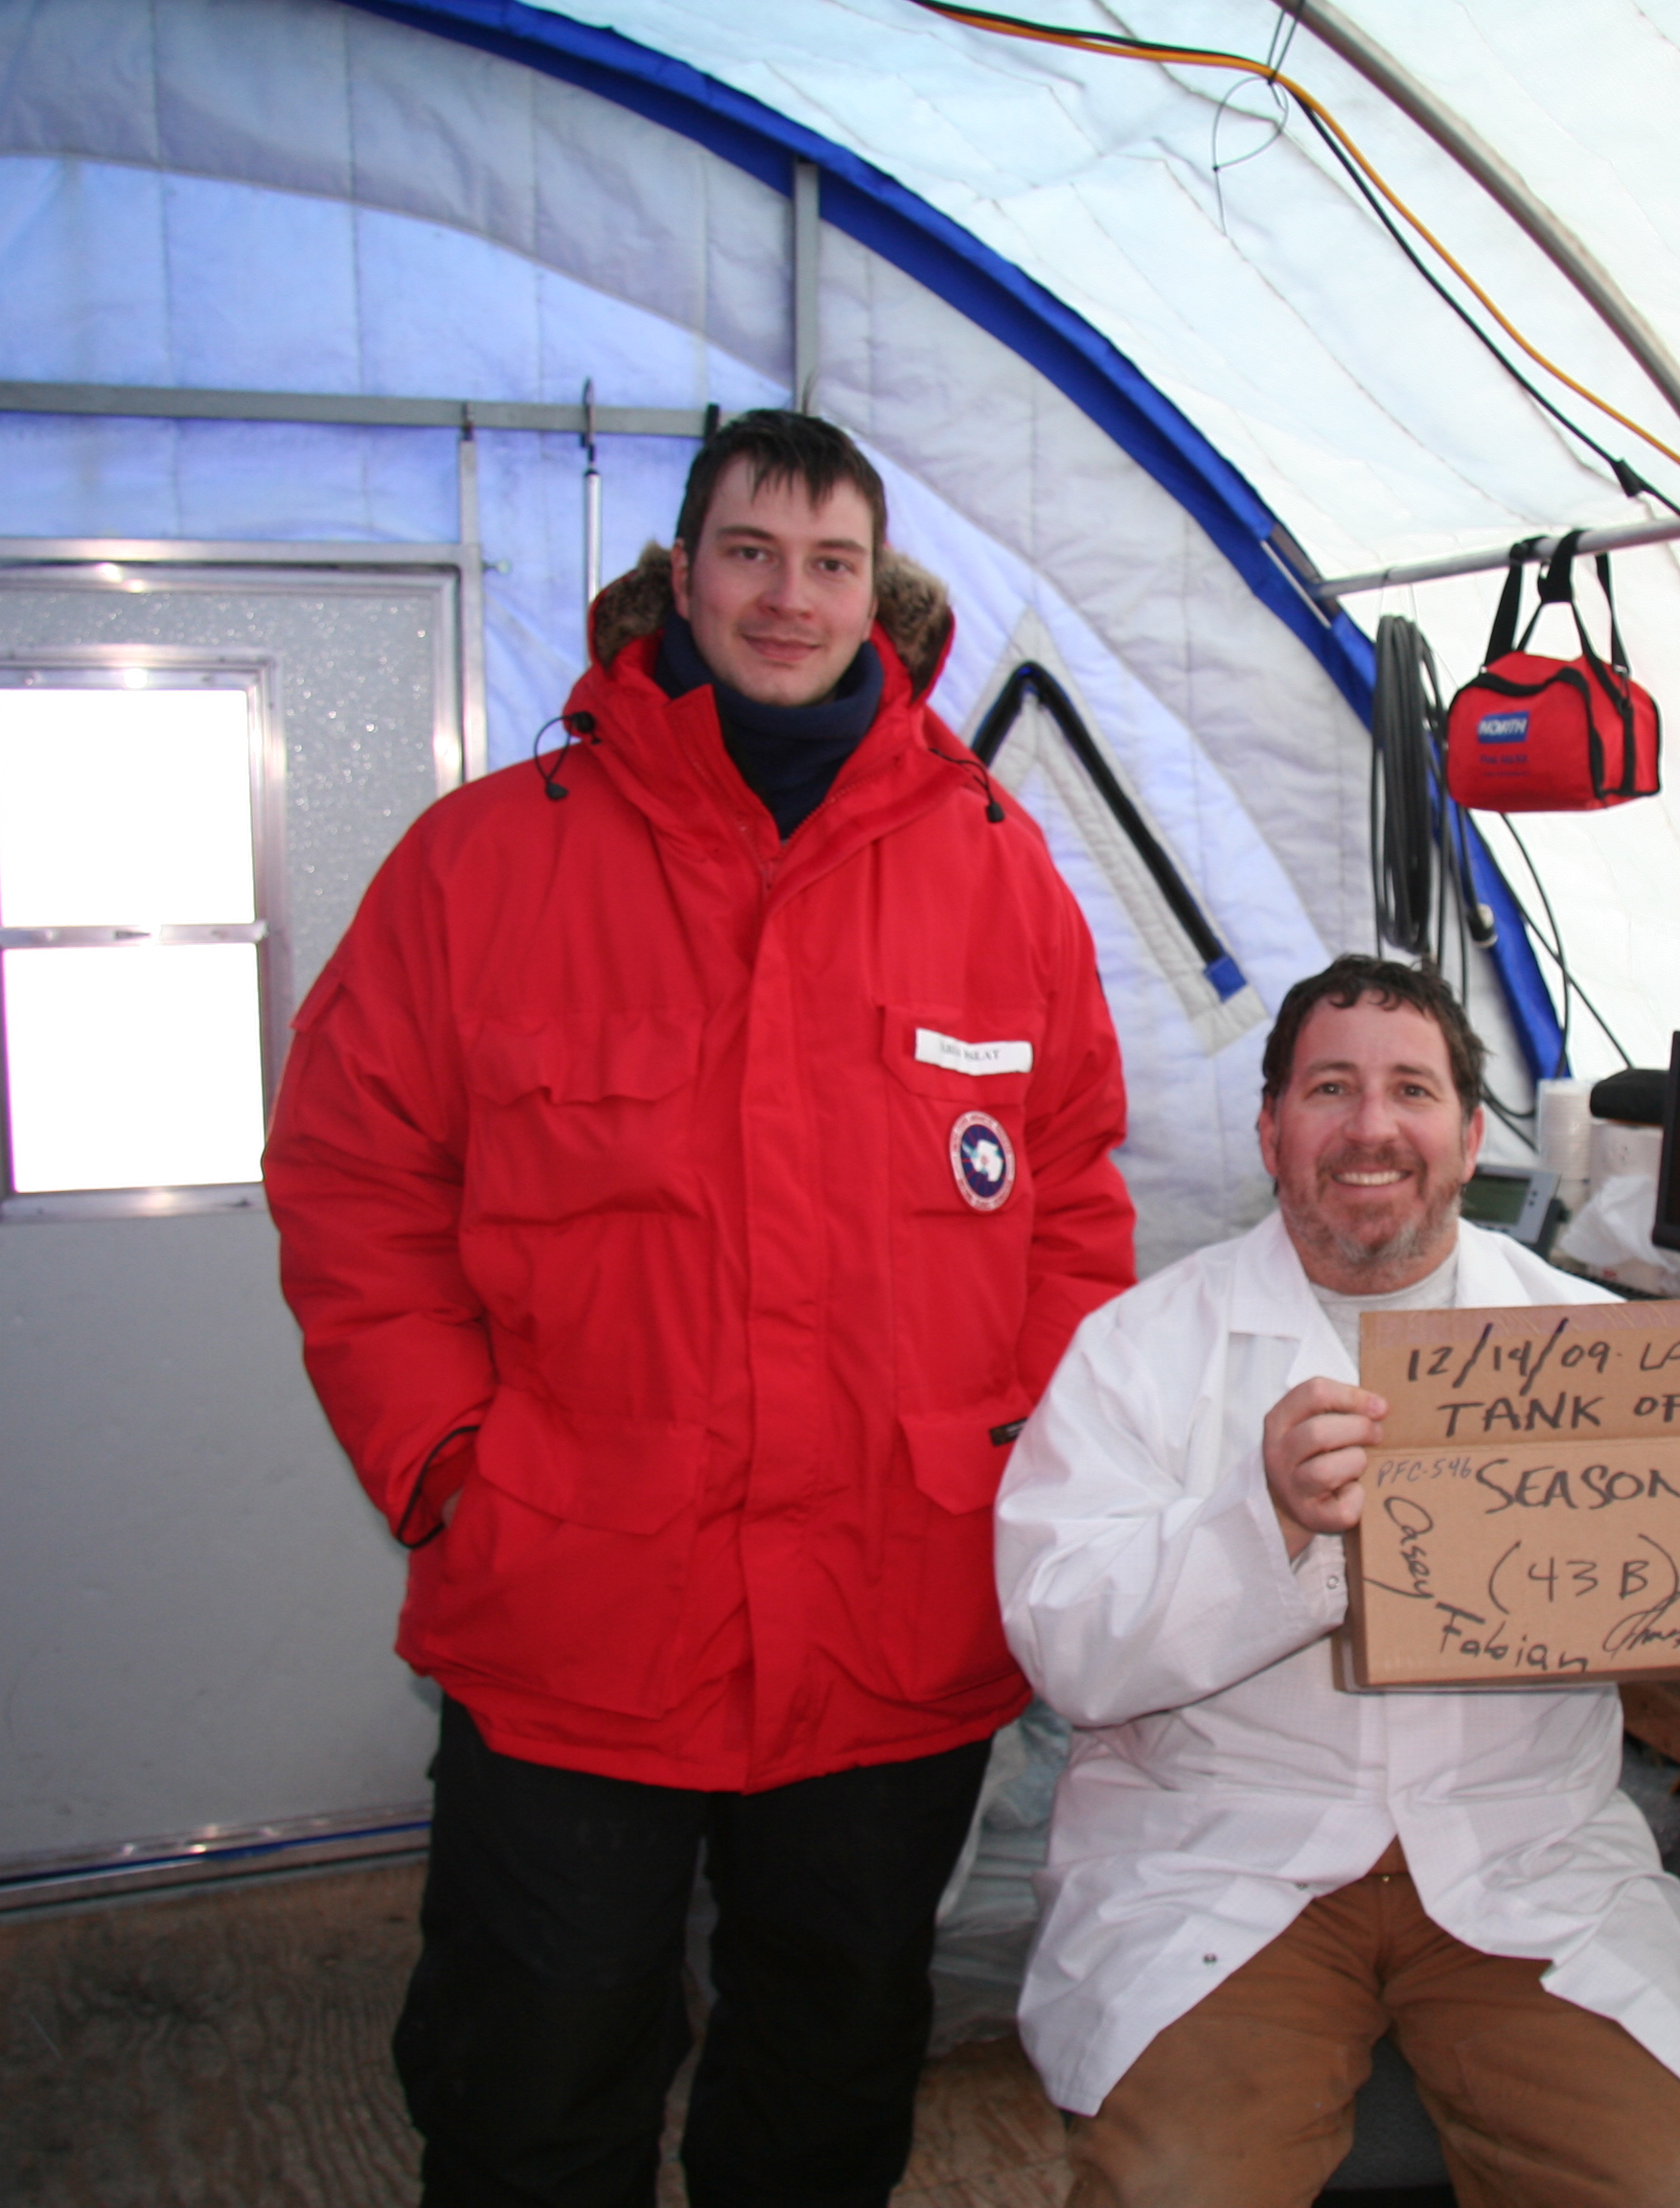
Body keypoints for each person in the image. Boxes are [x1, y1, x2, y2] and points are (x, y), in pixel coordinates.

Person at [266, 410, 1135, 2208]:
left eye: (829, 563)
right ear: (683, 575)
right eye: (750, 553)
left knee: (827, 2078)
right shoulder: (489, 862)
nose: (787, 597)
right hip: (573, 1608)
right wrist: (446, 1462)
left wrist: (1012, 1458)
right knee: (533, 2081)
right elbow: (354, 1181)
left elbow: (1068, 1199)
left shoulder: (994, 867)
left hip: (889, 1613)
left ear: (879, 596)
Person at [996, 955, 1680, 2207]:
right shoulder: (1139, 1352)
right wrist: (1263, 1522)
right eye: (1329, 1089)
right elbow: (1064, 1643)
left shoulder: (1597, 1348)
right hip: (1227, 1863)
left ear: (1473, 1137)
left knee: (1679, 2198)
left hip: (1520, 1857)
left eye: (1412, 1090)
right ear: (1271, 1130)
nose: (1371, 1127)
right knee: (1173, 2190)